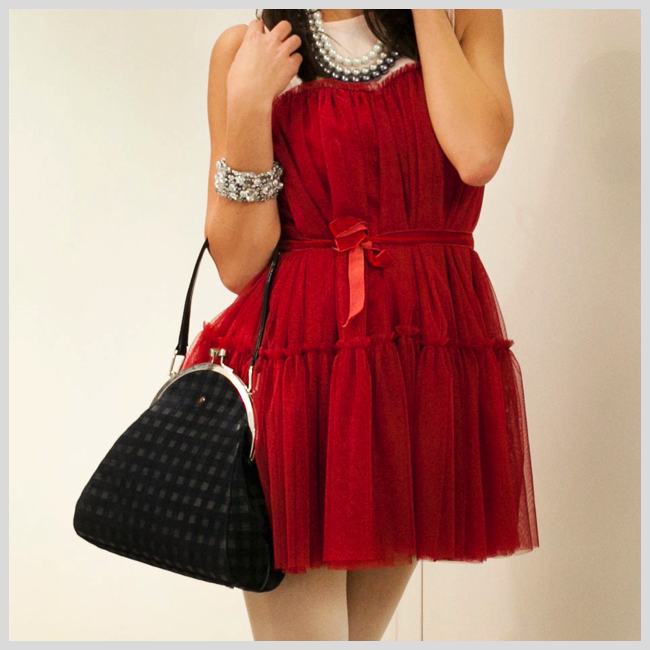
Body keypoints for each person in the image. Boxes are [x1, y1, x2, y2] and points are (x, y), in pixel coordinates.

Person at [182, 8, 539, 641]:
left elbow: (478, 154)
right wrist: (248, 106)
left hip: (416, 362)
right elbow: (238, 264)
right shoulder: (248, 48)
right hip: (306, 364)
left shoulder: (462, 19)